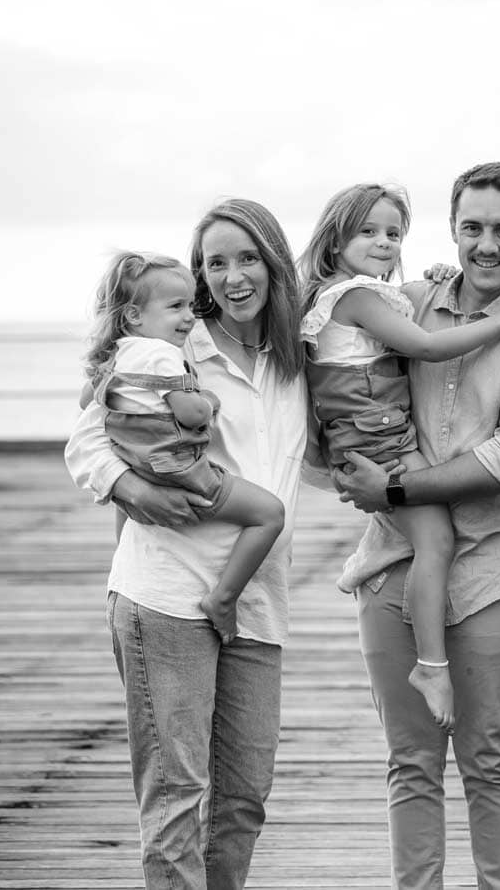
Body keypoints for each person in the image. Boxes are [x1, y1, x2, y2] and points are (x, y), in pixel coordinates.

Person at [333, 162, 500, 890]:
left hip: (486, 574)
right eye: (472, 227)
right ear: (452, 229)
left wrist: (392, 484)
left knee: (488, 760)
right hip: (391, 562)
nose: (486, 244)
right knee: (410, 764)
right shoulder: (408, 303)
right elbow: (340, 374)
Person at [65, 199, 310, 888]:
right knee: (178, 799)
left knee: (243, 796)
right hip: (165, 596)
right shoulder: (176, 343)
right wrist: (132, 490)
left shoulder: (298, 356)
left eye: (247, 258)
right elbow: (85, 437)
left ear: (274, 263)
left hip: (256, 602)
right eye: (215, 262)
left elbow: (368, 315)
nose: (233, 276)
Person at [298, 182, 500, 730]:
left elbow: (411, 307)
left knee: (431, 539)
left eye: (393, 232)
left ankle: (418, 647)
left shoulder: (364, 294)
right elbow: (428, 347)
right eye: (368, 231)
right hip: (378, 442)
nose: (384, 242)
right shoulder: (356, 297)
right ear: (335, 242)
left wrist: (435, 279)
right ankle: (431, 666)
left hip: (379, 436)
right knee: (436, 540)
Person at [82, 251, 288, 644]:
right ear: (134, 316)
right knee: (268, 515)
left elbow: (88, 403)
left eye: (190, 305)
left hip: (145, 464)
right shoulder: (163, 354)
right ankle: (223, 599)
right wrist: (208, 400)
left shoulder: (119, 355)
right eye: (176, 306)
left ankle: (131, 568)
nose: (189, 316)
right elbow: (192, 415)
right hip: (180, 469)